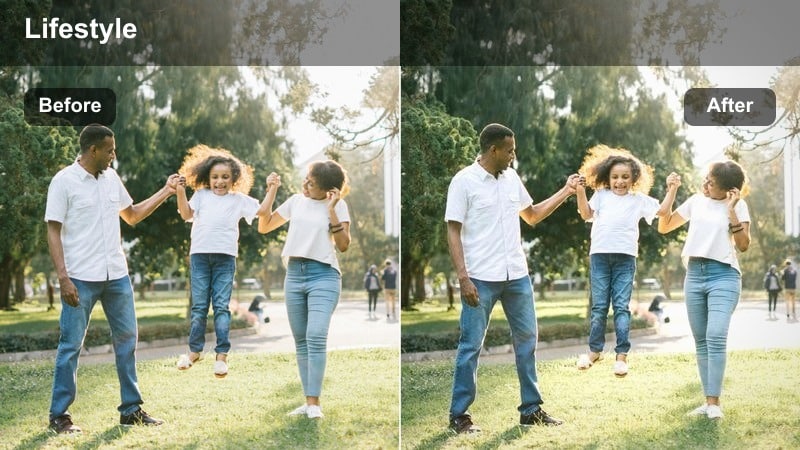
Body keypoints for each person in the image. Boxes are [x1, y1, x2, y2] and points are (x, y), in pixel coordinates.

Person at [445, 123, 579, 433]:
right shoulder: (464, 181)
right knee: (471, 346)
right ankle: (459, 415)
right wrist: (463, 278)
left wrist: (566, 191)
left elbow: (531, 215)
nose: (513, 155)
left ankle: (530, 410)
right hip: (480, 277)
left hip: (517, 275)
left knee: (527, 342)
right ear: (493, 149)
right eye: (510, 150)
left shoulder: (511, 178)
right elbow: (452, 230)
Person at [44, 124, 171, 434]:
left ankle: (131, 410)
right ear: (93, 150)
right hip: (80, 277)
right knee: (70, 346)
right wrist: (63, 278)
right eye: (111, 150)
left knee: (127, 341)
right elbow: (53, 230)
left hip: (116, 275)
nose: (115, 154)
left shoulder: (111, 178)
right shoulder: (64, 181)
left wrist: (166, 191)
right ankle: (59, 416)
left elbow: (132, 215)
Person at [573, 145, 680, 377]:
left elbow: (662, 211)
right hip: (600, 256)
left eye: (625, 177)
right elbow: (585, 214)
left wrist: (672, 189)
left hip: (625, 259)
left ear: (633, 179)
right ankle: (594, 351)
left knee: (621, 307)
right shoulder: (601, 196)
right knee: (600, 307)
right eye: (615, 177)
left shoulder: (638, 200)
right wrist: (580, 191)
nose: (619, 181)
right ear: (607, 178)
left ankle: (621, 357)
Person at [258, 160, 351, 420]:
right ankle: (309, 402)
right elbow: (263, 226)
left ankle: (314, 404)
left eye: (312, 183)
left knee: (316, 335)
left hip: (324, 275)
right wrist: (272, 190)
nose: (305, 185)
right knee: (301, 342)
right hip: (295, 275)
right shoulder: (296, 201)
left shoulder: (339, 205)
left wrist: (331, 210)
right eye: (306, 180)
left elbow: (343, 245)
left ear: (329, 190)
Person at [173, 145, 277, 378]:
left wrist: (272, 188)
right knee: (199, 307)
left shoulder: (238, 200)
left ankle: (221, 357)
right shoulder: (201, 195)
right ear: (207, 178)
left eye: (225, 177)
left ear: (234, 179)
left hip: (225, 259)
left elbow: (262, 211)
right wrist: (180, 191)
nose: (220, 182)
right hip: (200, 256)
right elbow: (186, 214)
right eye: (215, 177)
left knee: (221, 307)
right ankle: (194, 352)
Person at [658, 160, 751, 420]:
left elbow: (743, 245)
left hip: (724, 275)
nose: (706, 184)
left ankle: (714, 404)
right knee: (701, 341)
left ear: (729, 190)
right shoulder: (696, 201)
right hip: (695, 275)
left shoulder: (739, 205)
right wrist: (672, 191)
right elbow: (663, 227)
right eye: (707, 179)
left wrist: (731, 210)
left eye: (712, 182)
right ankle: (708, 402)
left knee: (716, 335)